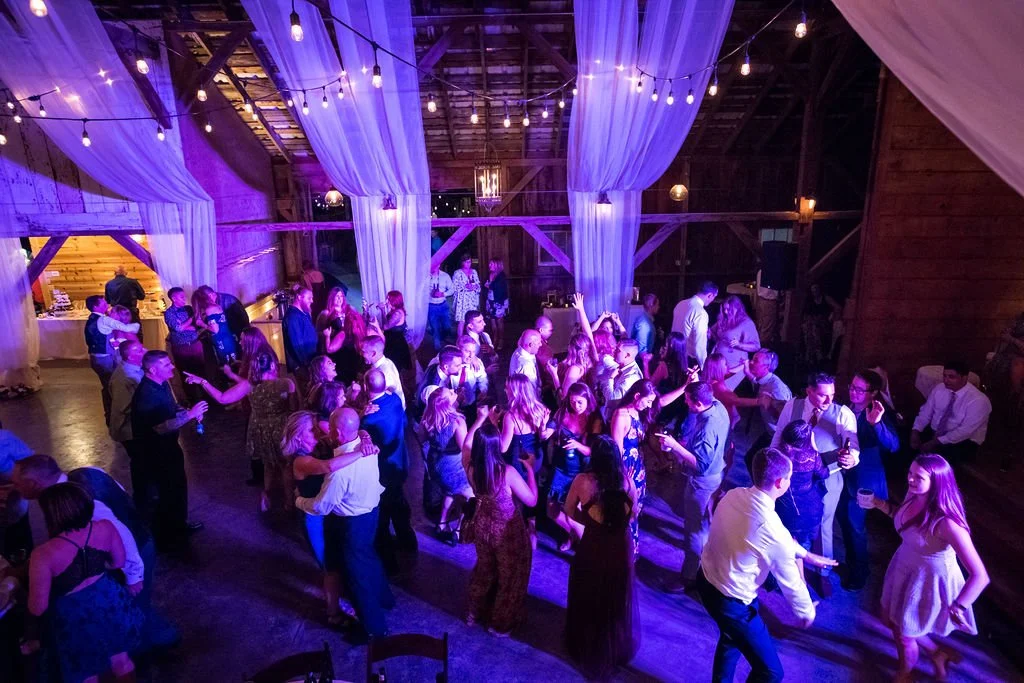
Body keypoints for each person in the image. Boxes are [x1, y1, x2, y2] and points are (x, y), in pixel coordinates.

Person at [13, 455, 180, 652]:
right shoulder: (89, 471)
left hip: (134, 551)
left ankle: (147, 651)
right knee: (136, 606)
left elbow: (122, 534)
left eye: (17, 484)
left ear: (34, 484)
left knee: (133, 610)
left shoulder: (78, 501)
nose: (16, 489)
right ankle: (161, 637)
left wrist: (134, 575)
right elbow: (120, 492)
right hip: (139, 538)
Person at [697, 448, 836, 683]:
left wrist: (806, 555)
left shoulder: (734, 495)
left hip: (706, 581)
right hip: (732, 602)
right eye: (790, 477)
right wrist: (806, 614)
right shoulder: (770, 528)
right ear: (781, 482)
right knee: (770, 672)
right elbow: (791, 580)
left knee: (731, 640)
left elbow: (773, 539)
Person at [862, 454, 989, 682]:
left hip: (927, 580)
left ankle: (905, 673)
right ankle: (937, 653)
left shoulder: (948, 523)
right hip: (904, 566)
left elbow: (980, 575)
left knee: (904, 634)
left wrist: (959, 606)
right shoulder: (914, 495)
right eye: (910, 473)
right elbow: (904, 521)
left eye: (918, 477)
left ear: (937, 483)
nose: (910, 480)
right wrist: (878, 504)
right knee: (890, 620)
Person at [22, 482, 144, 683]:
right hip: (109, 599)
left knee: (85, 673)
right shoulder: (105, 527)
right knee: (121, 660)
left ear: (52, 515)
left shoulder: (43, 554)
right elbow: (118, 562)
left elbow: (38, 606)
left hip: (72, 614)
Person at [295, 407, 393, 643]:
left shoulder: (339, 471)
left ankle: (374, 629)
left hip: (352, 524)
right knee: (369, 558)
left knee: (356, 576)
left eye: (329, 429)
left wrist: (298, 500)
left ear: (338, 433)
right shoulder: (366, 444)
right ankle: (385, 599)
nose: (324, 434)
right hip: (371, 514)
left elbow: (321, 507)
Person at [284, 411, 376, 626]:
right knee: (330, 567)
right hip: (313, 517)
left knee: (336, 560)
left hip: (327, 513)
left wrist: (366, 438)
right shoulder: (301, 459)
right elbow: (328, 467)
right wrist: (363, 452)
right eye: (311, 429)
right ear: (298, 436)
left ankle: (341, 600)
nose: (318, 431)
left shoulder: (317, 443)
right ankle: (333, 614)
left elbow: (356, 429)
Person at [772, 371, 860, 594]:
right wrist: (773, 468)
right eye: (822, 395)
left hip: (829, 476)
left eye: (832, 394)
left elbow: (854, 449)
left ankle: (822, 573)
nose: (829, 401)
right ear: (809, 391)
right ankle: (780, 569)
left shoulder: (843, 414)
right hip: (794, 478)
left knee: (823, 525)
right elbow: (778, 437)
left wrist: (851, 459)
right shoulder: (792, 406)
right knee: (785, 521)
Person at [563, 436, 639, 680]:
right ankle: (611, 646)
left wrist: (591, 522)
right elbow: (634, 513)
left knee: (590, 590)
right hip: (620, 545)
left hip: (595, 544)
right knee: (615, 594)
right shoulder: (626, 481)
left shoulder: (584, 481)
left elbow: (568, 510)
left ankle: (586, 643)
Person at [187, 351, 296, 511]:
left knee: (268, 465)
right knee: (286, 465)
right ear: (273, 365)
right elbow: (293, 409)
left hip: (261, 429)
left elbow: (222, 398)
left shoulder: (249, 385)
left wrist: (202, 381)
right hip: (281, 427)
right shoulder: (286, 383)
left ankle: (266, 495)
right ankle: (289, 503)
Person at [465, 422, 538, 637]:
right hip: (506, 533)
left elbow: (467, 444)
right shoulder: (506, 472)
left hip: (482, 527)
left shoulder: (471, 468)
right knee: (511, 578)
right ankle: (499, 625)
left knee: (484, 570)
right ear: (496, 446)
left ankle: (472, 613)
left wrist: (480, 419)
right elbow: (532, 501)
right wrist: (531, 472)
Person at [657, 381, 730, 590]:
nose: (686, 403)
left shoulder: (708, 428)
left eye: (688, 401)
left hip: (702, 482)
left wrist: (674, 446)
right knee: (705, 525)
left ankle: (688, 577)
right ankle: (704, 566)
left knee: (694, 529)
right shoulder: (717, 406)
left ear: (698, 403)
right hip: (717, 476)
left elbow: (700, 465)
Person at [131, 351, 206, 548]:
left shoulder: (161, 384)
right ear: (153, 369)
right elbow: (160, 426)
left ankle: (178, 526)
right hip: (156, 453)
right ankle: (168, 536)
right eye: (166, 365)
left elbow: (172, 408)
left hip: (169, 447)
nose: (172, 366)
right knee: (166, 491)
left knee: (177, 487)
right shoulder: (146, 394)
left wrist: (187, 413)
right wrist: (190, 415)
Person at [839, 369, 900, 591]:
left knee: (855, 526)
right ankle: (851, 562)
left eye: (859, 389)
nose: (853, 392)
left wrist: (876, 424)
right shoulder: (844, 409)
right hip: (843, 475)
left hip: (865, 479)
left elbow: (893, 445)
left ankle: (860, 571)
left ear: (873, 393)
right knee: (844, 522)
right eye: (852, 387)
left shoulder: (877, 413)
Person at [360, 369, 415, 571]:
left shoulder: (368, 419)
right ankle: (409, 543)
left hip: (382, 473)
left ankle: (390, 565)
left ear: (366, 387)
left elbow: (360, 434)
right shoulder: (394, 401)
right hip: (399, 464)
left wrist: (359, 415)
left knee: (382, 518)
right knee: (400, 508)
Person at [500, 374, 554, 548]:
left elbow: (502, 447)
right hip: (535, 458)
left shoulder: (511, 416)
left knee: (518, 498)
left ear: (514, 391)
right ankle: (533, 533)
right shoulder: (538, 409)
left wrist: (494, 423)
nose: (505, 389)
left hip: (518, 460)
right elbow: (543, 436)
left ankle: (520, 536)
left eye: (507, 387)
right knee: (533, 489)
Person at [547, 383, 602, 552]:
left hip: (581, 472)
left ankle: (587, 546)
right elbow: (547, 433)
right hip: (561, 468)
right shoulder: (562, 413)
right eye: (572, 402)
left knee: (574, 512)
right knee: (551, 509)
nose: (575, 406)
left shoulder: (595, 419)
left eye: (580, 402)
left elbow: (595, 452)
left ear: (588, 400)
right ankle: (573, 534)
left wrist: (577, 445)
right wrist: (544, 427)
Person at [773, 421, 830, 580]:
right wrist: (813, 446)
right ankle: (799, 582)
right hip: (809, 507)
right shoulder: (811, 456)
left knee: (781, 542)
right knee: (800, 547)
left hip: (786, 507)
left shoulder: (777, 454)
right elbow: (824, 474)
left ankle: (780, 578)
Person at [911, 361, 992, 468]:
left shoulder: (978, 401)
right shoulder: (940, 388)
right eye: (944, 376)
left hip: (963, 441)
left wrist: (934, 442)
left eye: (951, 377)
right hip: (935, 432)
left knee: (934, 462)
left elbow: (964, 431)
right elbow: (926, 412)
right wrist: (915, 431)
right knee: (905, 443)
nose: (946, 380)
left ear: (964, 378)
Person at [610, 379, 658, 554]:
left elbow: (662, 402)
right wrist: (625, 477)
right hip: (626, 471)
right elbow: (617, 449)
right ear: (637, 396)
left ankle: (629, 552)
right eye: (647, 401)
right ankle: (624, 553)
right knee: (626, 512)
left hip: (638, 469)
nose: (649, 405)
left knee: (635, 511)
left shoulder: (638, 412)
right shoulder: (621, 415)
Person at [421, 388, 473, 545]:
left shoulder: (428, 419)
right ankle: (458, 531)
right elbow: (465, 448)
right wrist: (478, 424)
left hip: (436, 464)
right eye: (450, 393)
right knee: (471, 498)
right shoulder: (457, 421)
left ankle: (442, 523)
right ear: (445, 403)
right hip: (453, 467)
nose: (452, 390)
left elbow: (422, 439)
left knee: (450, 491)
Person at [84, 295, 140, 426]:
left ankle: (111, 415)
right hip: (105, 359)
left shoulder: (92, 319)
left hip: (96, 358)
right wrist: (135, 324)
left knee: (108, 387)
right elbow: (130, 328)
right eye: (104, 302)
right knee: (113, 388)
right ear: (97, 306)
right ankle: (118, 417)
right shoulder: (104, 320)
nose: (107, 304)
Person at [107, 341, 148, 511]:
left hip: (136, 427)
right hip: (130, 429)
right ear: (130, 356)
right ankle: (143, 501)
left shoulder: (134, 369)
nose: (144, 350)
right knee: (140, 463)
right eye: (139, 350)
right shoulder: (123, 377)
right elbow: (125, 406)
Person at [741, 348, 793, 466]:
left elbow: (786, 418)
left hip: (779, 436)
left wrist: (769, 406)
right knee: (751, 460)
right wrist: (746, 371)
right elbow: (755, 381)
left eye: (755, 361)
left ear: (766, 367)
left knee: (753, 461)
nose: (751, 362)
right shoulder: (763, 381)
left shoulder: (777, 389)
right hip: (770, 432)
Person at [317, 286, 367, 384]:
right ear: (332, 298)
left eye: (341, 296)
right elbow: (318, 332)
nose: (340, 299)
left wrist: (365, 312)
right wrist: (327, 335)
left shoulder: (350, 309)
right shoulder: (325, 313)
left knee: (353, 373)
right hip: (337, 350)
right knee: (341, 376)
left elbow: (360, 323)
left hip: (351, 348)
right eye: (336, 296)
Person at [710, 295, 760, 391]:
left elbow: (756, 346)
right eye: (724, 309)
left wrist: (739, 344)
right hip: (719, 366)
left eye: (729, 309)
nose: (725, 312)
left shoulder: (746, 323)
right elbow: (714, 333)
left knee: (726, 392)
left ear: (737, 308)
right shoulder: (724, 319)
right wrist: (709, 334)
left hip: (735, 367)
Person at [163, 287, 204, 400]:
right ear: (173, 298)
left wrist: (187, 325)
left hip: (195, 344)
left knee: (201, 370)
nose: (184, 299)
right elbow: (178, 328)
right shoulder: (169, 313)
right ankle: (192, 400)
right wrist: (191, 319)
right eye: (181, 297)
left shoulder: (189, 308)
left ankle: (205, 398)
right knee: (186, 373)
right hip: (181, 347)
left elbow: (197, 325)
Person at [671, 281, 718, 369]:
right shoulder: (700, 313)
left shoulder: (680, 304)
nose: (713, 300)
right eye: (714, 297)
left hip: (673, 354)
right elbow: (699, 346)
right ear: (710, 295)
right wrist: (704, 367)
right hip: (688, 361)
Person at [192, 287, 237, 367]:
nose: (216, 295)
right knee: (232, 362)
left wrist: (203, 324)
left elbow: (214, 330)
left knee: (225, 364)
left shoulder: (210, 309)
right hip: (226, 337)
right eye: (213, 293)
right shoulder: (215, 306)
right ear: (210, 295)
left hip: (220, 339)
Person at [283, 287, 318, 385]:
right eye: (309, 298)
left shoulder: (305, 313)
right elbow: (297, 344)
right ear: (299, 297)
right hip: (303, 366)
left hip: (311, 361)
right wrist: (307, 364)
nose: (312, 301)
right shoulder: (292, 317)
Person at [801, 283, 841, 366]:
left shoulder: (825, 298)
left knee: (814, 327)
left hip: (824, 322)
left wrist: (832, 315)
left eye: (816, 288)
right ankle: (811, 355)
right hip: (812, 322)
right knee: (808, 328)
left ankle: (817, 355)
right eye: (813, 289)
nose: (814, 291)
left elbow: (838, 307)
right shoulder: (810, 300)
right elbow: (806, 314)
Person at [360, 335, 404, 408]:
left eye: (363, 351)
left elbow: (380, 399)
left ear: (373, 353)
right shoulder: (387, 362)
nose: (361, 354)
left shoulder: (384, 373)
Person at [550, 333, 595, 401]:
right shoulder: (590, 362)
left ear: (572, 348)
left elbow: (563, 397)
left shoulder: (574, 369)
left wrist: (554, 375)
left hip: (572, 409)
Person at [377, 290, 413, 377]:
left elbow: (385, 327)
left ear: (394, 301)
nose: (386, 301)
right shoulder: (394, 310)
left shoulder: (397, 313)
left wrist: (375, 325)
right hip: (391, 338)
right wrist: (382, 310)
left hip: (396, 342)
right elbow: (386, 322)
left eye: (388, 299)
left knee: (395, 364)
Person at [456, 335, 489, 418]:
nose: (471, 355)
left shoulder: (477, 363)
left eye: (473, 352)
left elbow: (483, 379)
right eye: (467, 351)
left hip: (470, 406)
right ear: (458, 349)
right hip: (452, 407)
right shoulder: (451, 363)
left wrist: (483, 390)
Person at [606, 339, 643, 407]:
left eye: (618, 350)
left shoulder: (631, 378)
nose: (614, 351)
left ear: (627, 355)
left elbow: (612, 402)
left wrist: (610, 379)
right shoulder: (623, 365)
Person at [451, 253, 482, 338]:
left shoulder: (474, 272)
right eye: (467, 262)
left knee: (472, 320)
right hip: (462, 300)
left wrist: (475, 287)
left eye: (470, 262)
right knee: (462, 321)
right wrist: (466, 287)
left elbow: (478, 284)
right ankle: (460, 342)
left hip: (472, 300)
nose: (469, 264)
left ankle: (473, 340)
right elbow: (454, 287)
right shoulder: (457, 273)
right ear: (462, 262)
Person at [427, 262, 455, 351]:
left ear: (439, 264)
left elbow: (452, 289)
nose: (434, 267)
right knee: (435, 328)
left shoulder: (445, 276)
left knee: (447, 326)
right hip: (431, 306)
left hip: (443, 305)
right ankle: (438, 351)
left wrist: (443, 294)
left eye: (436, 264)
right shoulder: (425, 277)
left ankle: (443, 338)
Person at [483, 258, 508, 350]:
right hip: (490, 301)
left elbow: (500, 289)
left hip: (499, 302)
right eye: (489, 264)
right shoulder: (489, 274)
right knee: (492, 321)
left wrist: (490, 285)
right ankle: (495, 339)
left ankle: (501, 339)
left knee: (499, 321)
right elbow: (485, 286)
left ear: (497, 265)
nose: (489, 266)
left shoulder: (501, 275)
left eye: (491, 264)